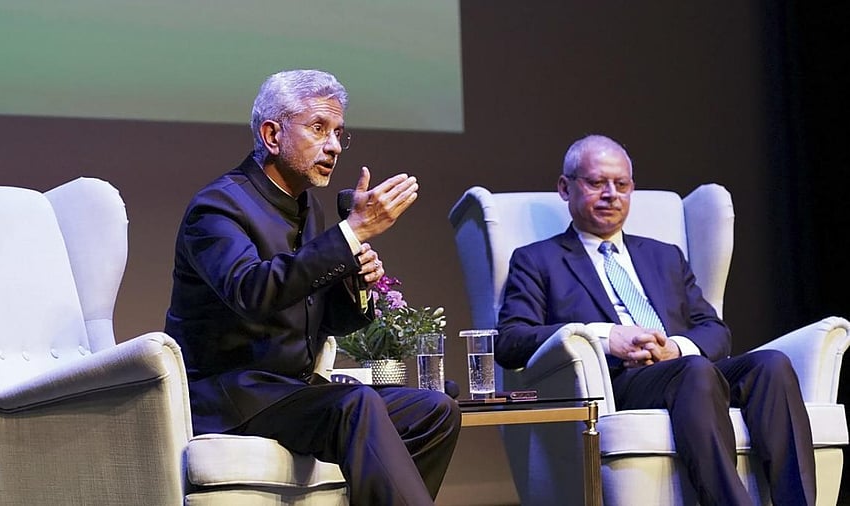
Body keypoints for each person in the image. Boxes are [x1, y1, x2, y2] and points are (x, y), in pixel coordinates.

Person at [165, 69, 460, 505]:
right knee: (356, 404)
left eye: (339, 133)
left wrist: (356, 281)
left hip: (291, 391)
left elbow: (322, 320)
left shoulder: (309, 209)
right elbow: (252, 292)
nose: (334, 146)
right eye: (319, 128)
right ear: (272, 135)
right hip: (235, 396)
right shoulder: (217, 208)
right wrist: (350, 234)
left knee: (435, 411)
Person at [496, 134, 815, 505]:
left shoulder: (665, 256)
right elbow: (511, 340)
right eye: (597, 183)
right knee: (695, 371)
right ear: (565, 188)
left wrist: (674, 349)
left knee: (771, 365)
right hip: (619, 382)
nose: (611, 194)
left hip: (685, 369)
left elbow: (714, 330)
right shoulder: (538, 259)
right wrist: (605, 338)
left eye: (622, 185)